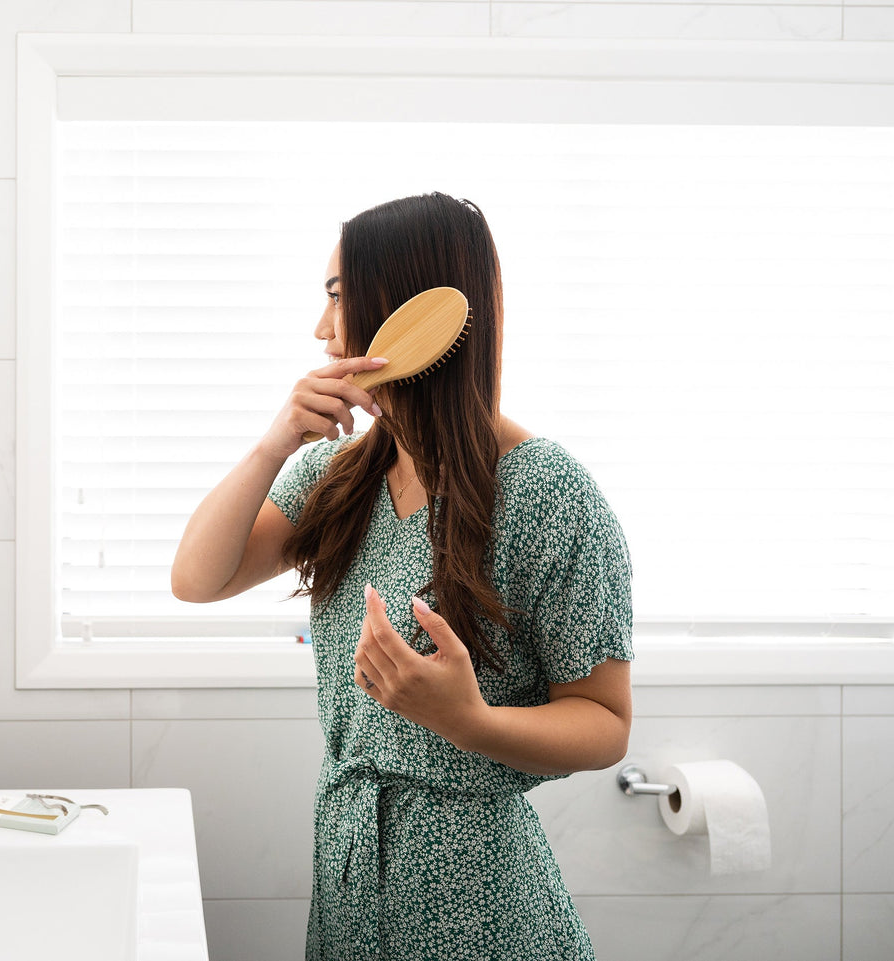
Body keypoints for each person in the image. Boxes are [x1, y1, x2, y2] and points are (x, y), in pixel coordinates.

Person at [171, 192, 634, 960]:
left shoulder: (548, 492)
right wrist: (272, 445)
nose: (321, 329)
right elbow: (197, 578)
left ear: (402, 308)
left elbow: (605, 721)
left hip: (478, 904)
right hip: (351, 876)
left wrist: (465, 719)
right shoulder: (337, 475)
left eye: (336, 296)